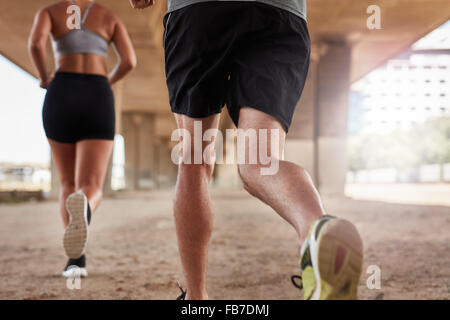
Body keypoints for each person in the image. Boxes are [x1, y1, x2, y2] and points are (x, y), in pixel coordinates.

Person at [129, 0, 363, 300]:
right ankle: (318, 232)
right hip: (279, 14)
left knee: (194, 161)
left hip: (199, 14)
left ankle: (196, 298)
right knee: (260, 163)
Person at [29, 0, 136, 277]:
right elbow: (129, 61)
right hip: (97, 93)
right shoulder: (108, 16)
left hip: (61, 90)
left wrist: (44, 77)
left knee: (66, 182)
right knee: (90, 184)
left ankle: (75, 262)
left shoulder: (50, 12)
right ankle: (85, 206)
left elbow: (36, 44)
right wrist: (105, 82)